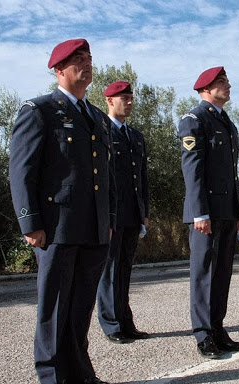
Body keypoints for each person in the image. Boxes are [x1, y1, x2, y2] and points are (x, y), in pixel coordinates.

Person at [9, 39, 116, 384]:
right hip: (57, 225)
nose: (86, 65)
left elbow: (107, 176)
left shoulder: (98, 117)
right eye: (77, 61)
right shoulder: (39, 110)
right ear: (59, 70)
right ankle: (51, 375)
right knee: (54, 301)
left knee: (82, 301)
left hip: (94, 225)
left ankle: (79, 370)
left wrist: (110, 219)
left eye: (88, 59)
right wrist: (30, 223)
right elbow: (22, 172)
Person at [179, 66, 239, 359]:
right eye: (222, 82)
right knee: (204, 273)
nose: (228, 85)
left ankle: (218, 329)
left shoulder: (226, 123)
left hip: (226, 210)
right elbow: (192, 170)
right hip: (205, 212)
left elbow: (231, 174)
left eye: (228, 81)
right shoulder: (194, 120)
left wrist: (238, 211)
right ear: (205, 88)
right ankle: (204, 334)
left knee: (222, 273)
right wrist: (199, 212)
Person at [96, 81, 150, 343]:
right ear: (110, 101)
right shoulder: (101, 131)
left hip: (131, 211)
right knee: (109, 269)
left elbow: (142, 177)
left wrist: (144, 210)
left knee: (125, 268)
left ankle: (126, 322)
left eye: (131, 98)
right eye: (123, 98)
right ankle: (111, 324)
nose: (129, 102)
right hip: (111, 213)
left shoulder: (135, 136)